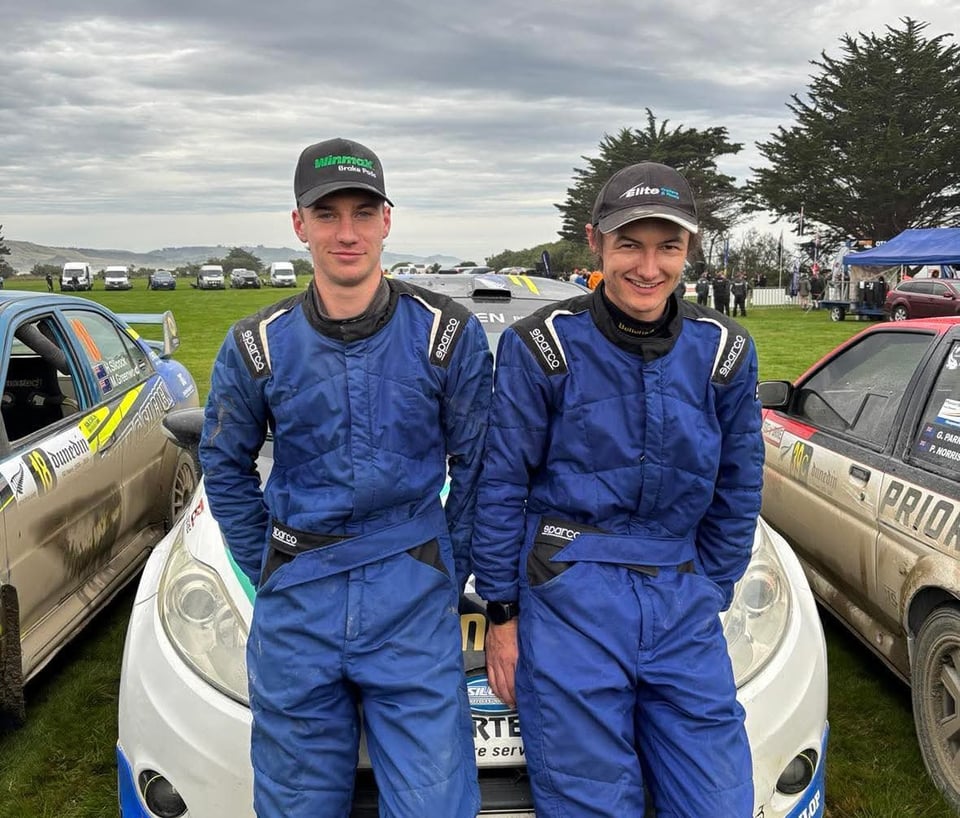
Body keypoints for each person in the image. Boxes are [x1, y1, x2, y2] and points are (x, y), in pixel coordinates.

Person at [199, 137, 490, 818]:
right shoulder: (256, 343)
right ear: (299, 225)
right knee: (297, 806)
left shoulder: (445, 334)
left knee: (434, 806)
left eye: (363, 212)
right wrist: (266, 563)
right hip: (298, 598)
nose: (347, 232)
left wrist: (444, 565)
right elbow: (223, 460)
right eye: (327, 215)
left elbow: (479, 465)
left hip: (411, 591)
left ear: (388, 219)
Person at [472, 161, 763, 817]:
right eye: (630, 243)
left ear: (690, 250)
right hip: (571, 595)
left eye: (669, 246)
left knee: (719, 802)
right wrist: (503, 613)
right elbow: (500, 487)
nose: (648, 266)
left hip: (681, 596)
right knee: (590, 804)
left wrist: (707, 586)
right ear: (596, 241)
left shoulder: (724, 350)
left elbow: (740, 485)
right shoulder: (543, 346)